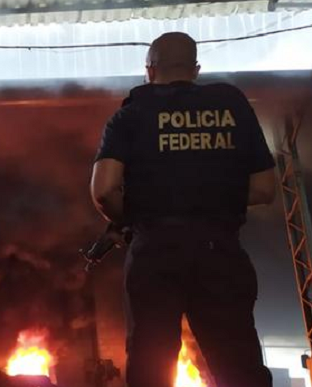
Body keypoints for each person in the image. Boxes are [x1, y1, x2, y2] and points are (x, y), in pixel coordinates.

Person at [90, 32, 276, 387]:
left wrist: (133, 217)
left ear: (149, 70)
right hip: (220, 253)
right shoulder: (233, 107)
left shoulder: (129, 116)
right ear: (195, 69)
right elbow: (265, 188)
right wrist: (207, 198)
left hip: (155, 254)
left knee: (151, 367)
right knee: (239, 367)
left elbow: (104, 192)